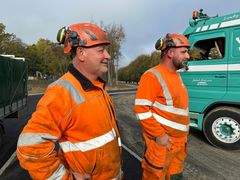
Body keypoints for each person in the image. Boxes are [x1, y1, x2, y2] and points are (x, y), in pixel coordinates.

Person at [17, 23, 122, 180]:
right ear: (81, 53)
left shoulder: (99, 88)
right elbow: (29, 147)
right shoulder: (61, 92)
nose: (108, 56)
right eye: (101, 51)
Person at [134, 33, 190, 180]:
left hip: (178, 145)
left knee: (176, 176)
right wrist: (160, 135)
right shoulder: (152, 76)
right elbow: (141, 110)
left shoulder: (177, 76)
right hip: (162, 145)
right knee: (154, 176)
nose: (188, 56)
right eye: (183, 52)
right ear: (171, 53)